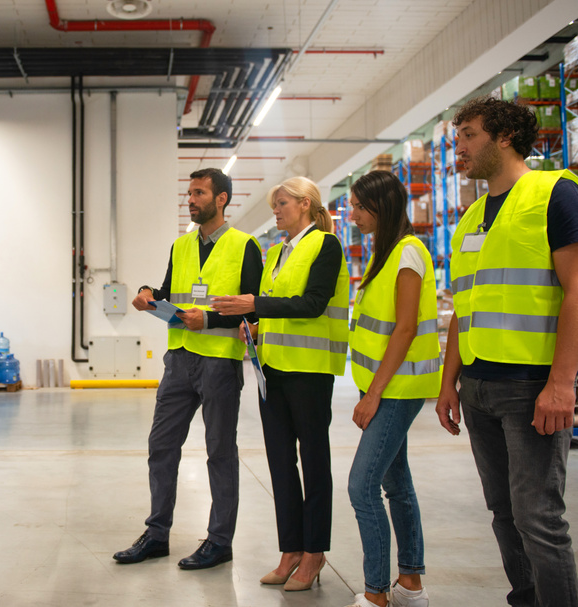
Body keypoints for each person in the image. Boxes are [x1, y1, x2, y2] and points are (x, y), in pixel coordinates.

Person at [435, 96, 578, 607]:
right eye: (458, 137)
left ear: (504, 137)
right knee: (501, 510)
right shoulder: (472, 216)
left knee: (538, 516)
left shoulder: (554, 194)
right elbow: (464, 310)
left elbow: (575, 291)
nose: (460, 146)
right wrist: (449, 382)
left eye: (469, 134)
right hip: (477, 387)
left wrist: (562, 384)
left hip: (530, 385)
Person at [113, 167, 263, 570]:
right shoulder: (180, 246)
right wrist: (149, 295)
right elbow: (168, 292)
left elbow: (254, 311)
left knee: (219, 452)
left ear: (221, 199)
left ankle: (219, 541)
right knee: (161, 446)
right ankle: (157, 534)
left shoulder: (245, 246)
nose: (191, 199)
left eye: (199, 193)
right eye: (190, 193)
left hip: (219, 362)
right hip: (178, 360)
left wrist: (210, 321)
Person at [210, 177, 348, 591]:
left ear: (305, 205)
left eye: (282, 203)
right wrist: (253, 324)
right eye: (275, 205)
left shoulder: (326, 245)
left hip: (308, 371)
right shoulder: (276, 252)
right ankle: (290, 550)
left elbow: (312, 304)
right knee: (280, 462)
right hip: (271, 369)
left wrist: (256, 304)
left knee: (314, 462)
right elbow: (274, 305)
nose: (277, 211)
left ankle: (315, 553)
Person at [345, 170, 440, 607]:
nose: (353, 214)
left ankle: (376, 592)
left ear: (382, 207)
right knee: (396, 483)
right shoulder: (384, 255)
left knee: (361, 487)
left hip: (396, 390)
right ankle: (412, 584)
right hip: (387, 387)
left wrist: (373, 394)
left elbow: (404, 330)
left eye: (360, 207)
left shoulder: (407, 253)